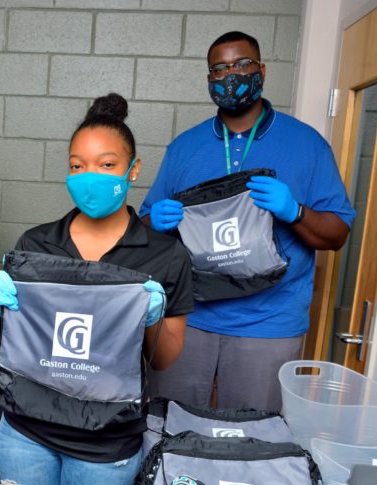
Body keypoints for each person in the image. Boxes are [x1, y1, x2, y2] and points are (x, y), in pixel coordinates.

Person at [0, 94, 194, 485]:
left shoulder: (164, 254)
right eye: (77, 164)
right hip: (28, 426)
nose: (90, 176)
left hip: (107, 438)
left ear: (133, 169)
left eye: (106, 164)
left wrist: (152, 317)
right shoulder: (36, 245)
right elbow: (13, 348)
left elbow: (167, 358)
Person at [141, 31, 356, 412]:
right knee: (168, 427)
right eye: (219, 69)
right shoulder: (186, 147)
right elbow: (141, 225)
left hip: (270, 324)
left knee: (256, 439)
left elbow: (337, 234)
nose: (231, 75)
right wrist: (154, 221)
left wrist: (296, 212)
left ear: (261, 70)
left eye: (242, 64)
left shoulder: (307, 145)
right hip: (190, 320)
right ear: (209, 80)